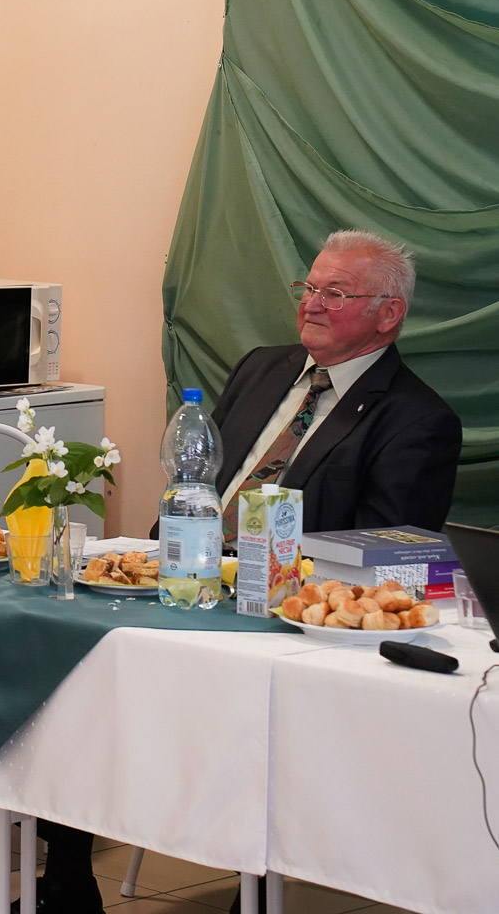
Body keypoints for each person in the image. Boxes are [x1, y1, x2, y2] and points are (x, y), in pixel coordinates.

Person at [31, 229, 462, 914]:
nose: (312, 303)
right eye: (309, 287)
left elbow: (382, 559)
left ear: (389, 314)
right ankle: (65, 874)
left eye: (336, 292)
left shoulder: (417, 418)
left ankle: (254, 884)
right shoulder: (263, 368)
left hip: (281, 619)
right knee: (71, 662)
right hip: (179, 581)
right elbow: (198, 481)